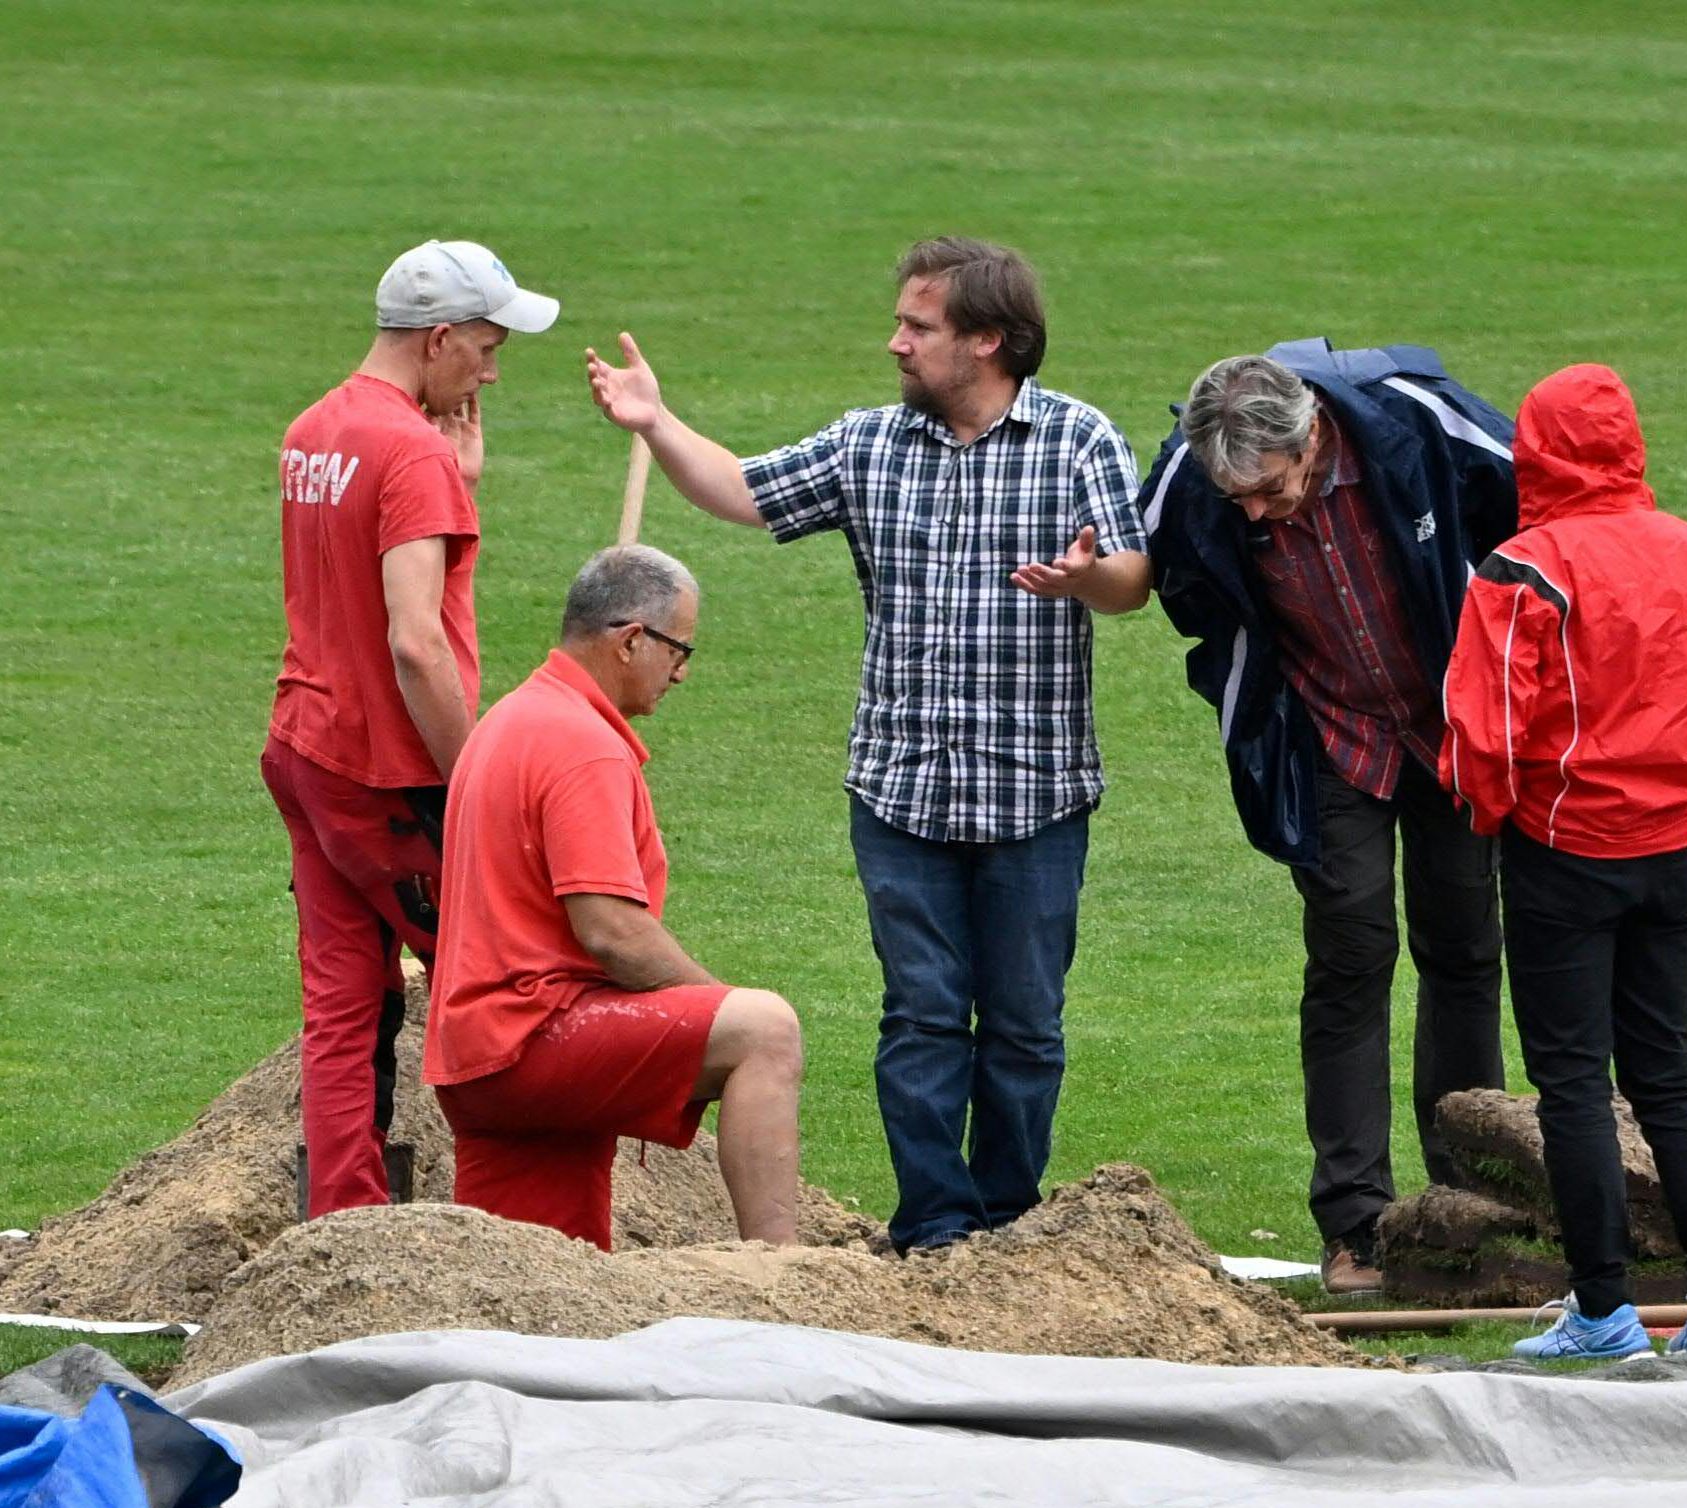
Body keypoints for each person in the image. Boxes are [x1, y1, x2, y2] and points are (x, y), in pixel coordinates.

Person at [583, 238, 1150, 1252]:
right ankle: (934, 1229)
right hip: (899, 793)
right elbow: (745, 492)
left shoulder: (1078, 443)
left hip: (1035, 795)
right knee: (922, 1016)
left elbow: (1131, 580)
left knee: (1024, 1026)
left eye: (918, 327)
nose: (895, 342)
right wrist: (656, 423)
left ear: (986, 339)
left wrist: (1085, 581)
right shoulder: (870, 445)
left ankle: (1008, 1227)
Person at [1440, 365, 1687, 1361]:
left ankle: (1603, 1311)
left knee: (1571, 1085)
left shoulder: (1523, 566)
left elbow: (1487, 732)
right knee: (1669, 1075)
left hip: (1559, 849)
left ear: (1536, 453)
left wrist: (1493, 815)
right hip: (1668, 849)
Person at [1140, 344, 1518, 1295]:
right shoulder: (1198, 476)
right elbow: (1158, 569)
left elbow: (1539, 502)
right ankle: (1358, 1224)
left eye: (1272, 490)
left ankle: (1467, 1210)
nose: (1258, 514)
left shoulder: (1412, 423)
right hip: (1332, 737)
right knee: (1350, 956)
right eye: (1242, 505)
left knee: (1464, 948)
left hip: (1449, 725)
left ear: (1312, 436)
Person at [263, 238, 559, 1216]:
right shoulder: (410, 451)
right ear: (437, 338)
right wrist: (476, 781)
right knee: (501, 973)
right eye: (485, 343)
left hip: (307, 748)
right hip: (390, 777)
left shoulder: (314, 428)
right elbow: (416, 645)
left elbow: (348, 569)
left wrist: (455, 483)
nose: (494, 366)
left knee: (346, 999)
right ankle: (517, 1207)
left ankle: (344, 1220)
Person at [423, 547, 806, 1250]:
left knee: (536, 1285)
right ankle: (780, 1275)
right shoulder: (582, 743)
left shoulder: (511, 719)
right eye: (679, 648)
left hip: (474, 1055)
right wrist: (710, 1006)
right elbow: (612, 932)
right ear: (632, 640)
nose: (683, 671)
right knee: (764, 1032)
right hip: (533, 1039)